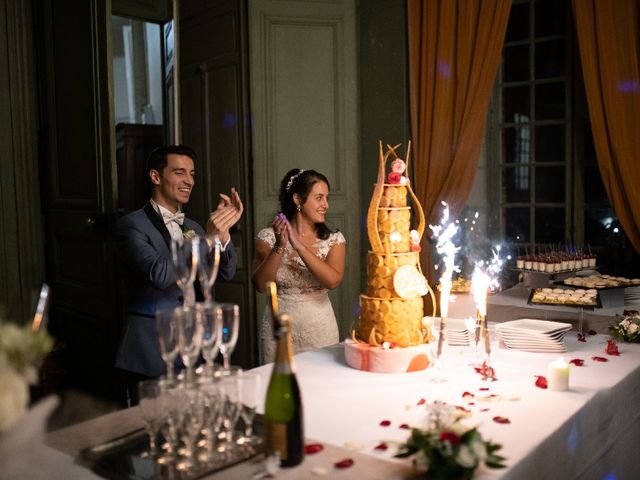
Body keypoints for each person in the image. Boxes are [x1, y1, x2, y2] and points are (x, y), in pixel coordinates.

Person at [114, 145, 243, 397]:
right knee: (158, 427)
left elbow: (226, 273)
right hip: (153, 346)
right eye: (180, 173)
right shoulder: (131, 225)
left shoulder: (194, 226)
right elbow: (160, 274)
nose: (189, 181)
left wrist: (223, 236)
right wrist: (207, 239)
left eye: (192, 174)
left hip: (197, 344)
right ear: (156, 177)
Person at [252, 168, 346, 363]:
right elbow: (261, 285)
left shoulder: (334, 239)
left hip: (321, 331)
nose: (326, 205)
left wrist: (298, 245)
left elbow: (333, 281)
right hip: (277, 332)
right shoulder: (267, 238)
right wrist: (280, 245)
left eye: (326, 198)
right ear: (298, 200)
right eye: (319, 198)